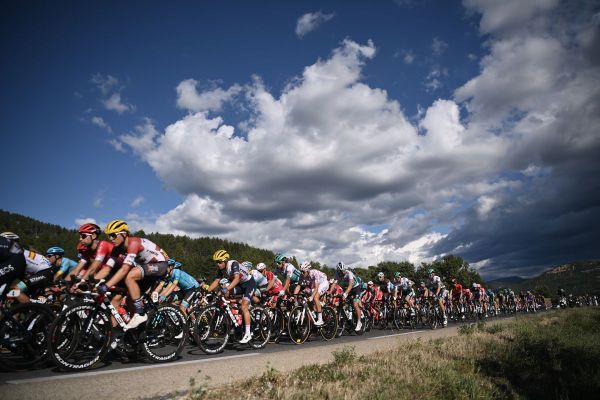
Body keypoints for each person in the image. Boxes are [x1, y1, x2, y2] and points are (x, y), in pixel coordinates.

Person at [102, 220, 169, 330]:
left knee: (130, 275)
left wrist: (106, 286)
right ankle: (137, 332)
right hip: (146, 269)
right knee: (129, 299)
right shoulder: (117, 249)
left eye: (113, 235)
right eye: (109, 236)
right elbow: (107, 268)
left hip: (160, 265)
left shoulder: (133, 243)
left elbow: (124, 270)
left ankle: (140, 314)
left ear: (124, 234)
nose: (111, 239)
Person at [205, 250, 256, 344]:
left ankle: (248, 333)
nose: (218, 264)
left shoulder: (233, 264)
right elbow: (216, 281)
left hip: (249, 284)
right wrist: (206, 291)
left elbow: (236, 279)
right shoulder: (221, 270)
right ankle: (236, 318)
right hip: (240, 285)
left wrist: (227, 288)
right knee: (225, 295)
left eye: (219, 262)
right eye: (216, 262)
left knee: (244, 305)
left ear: (225, 260)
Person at [335, 262, 364, 332]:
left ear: (345, 269)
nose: (342, 273)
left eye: (343, 271)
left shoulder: (349, 274)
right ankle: (349, 318)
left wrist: (345, 294)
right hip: (347, 288)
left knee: (355, 304)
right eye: (340, 271)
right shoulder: (338, 274)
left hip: (356, 288)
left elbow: (350, 285)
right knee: (342, 302)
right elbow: (334, 284)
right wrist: (330, 292)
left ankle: (359, 322)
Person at [299, 261, 329, 326]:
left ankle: (320, 320)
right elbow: (303, 286)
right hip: (316, 285)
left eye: (303, 272)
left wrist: (312, 296)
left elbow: (316, 287)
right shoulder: (303, 275)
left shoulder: (314, 273)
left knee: (315, 297)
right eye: (301, 271)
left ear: (307, 270)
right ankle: (317, 308)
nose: (302, 273)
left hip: (323, 283)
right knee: (307, 297)